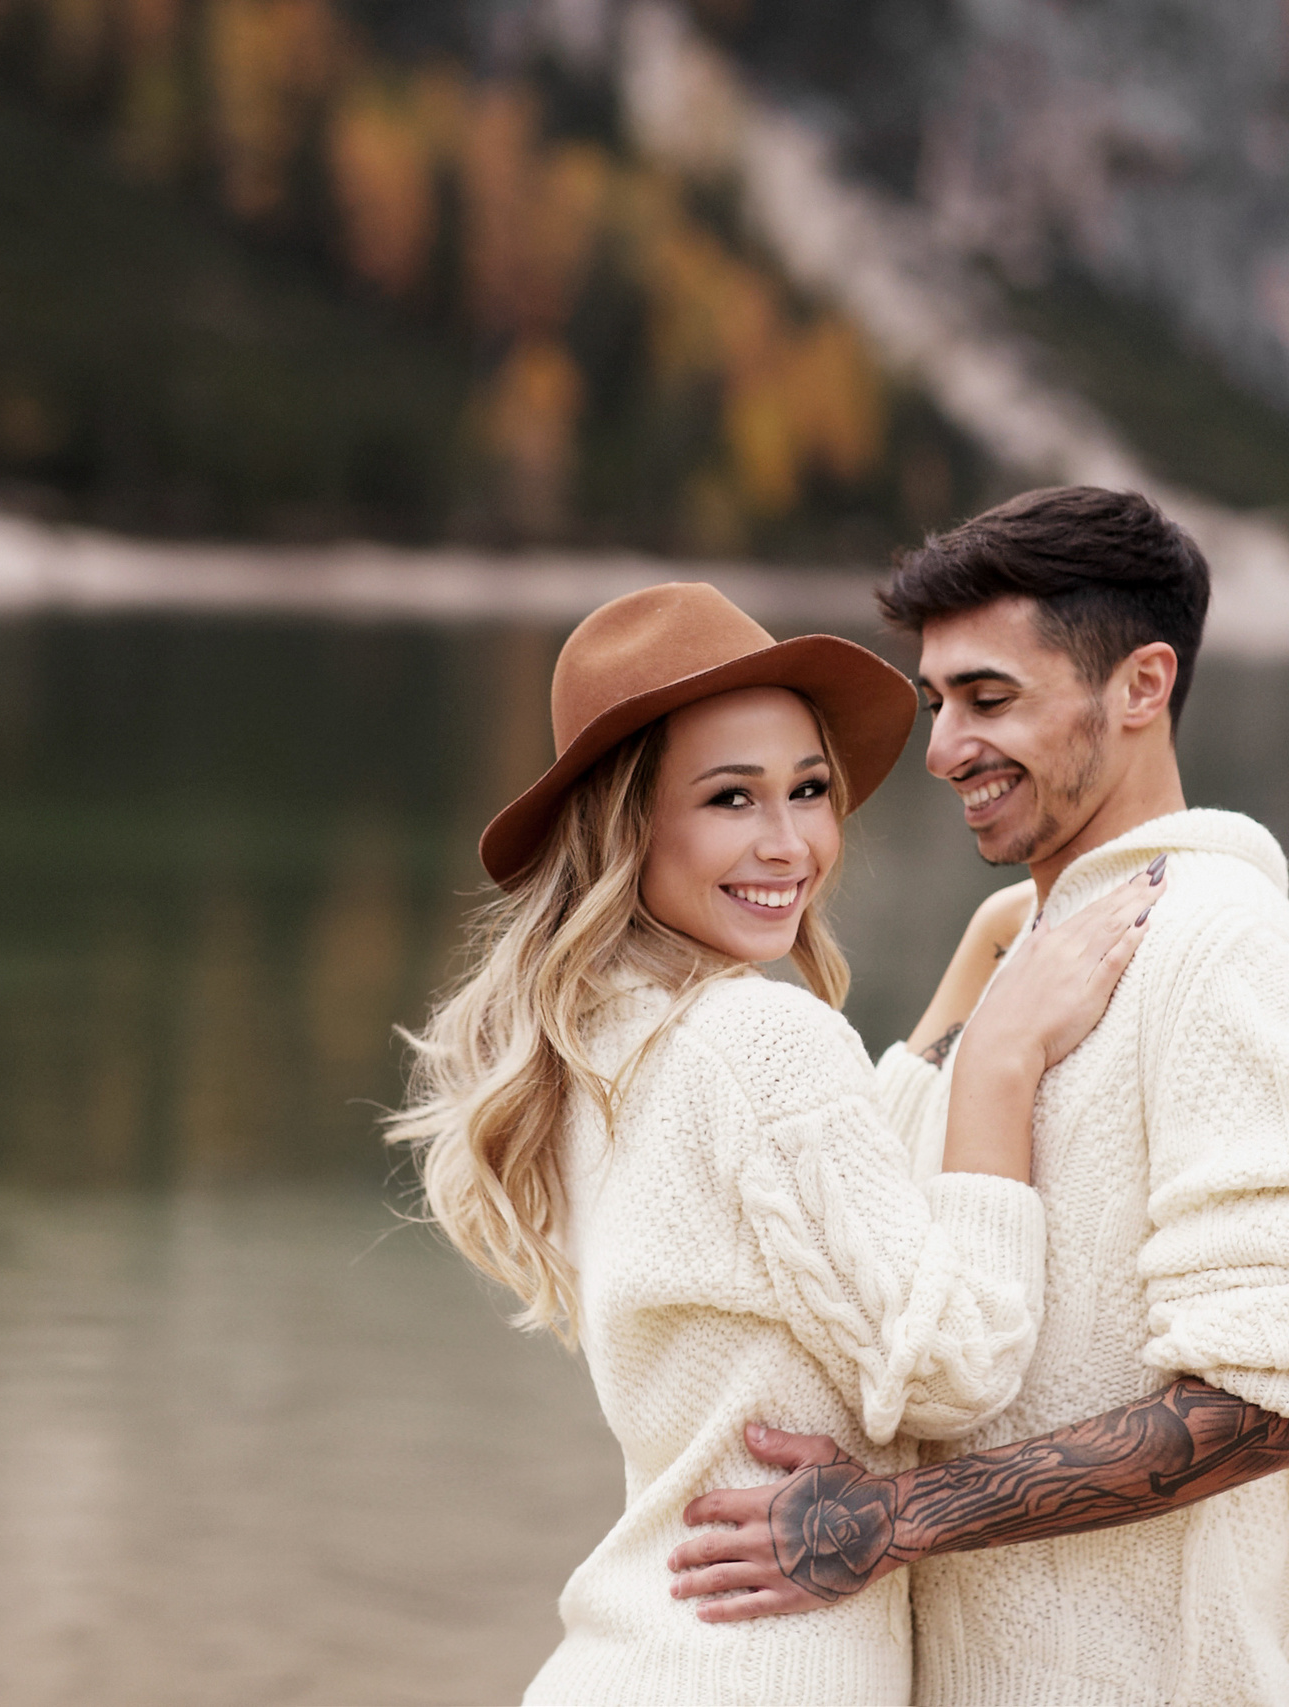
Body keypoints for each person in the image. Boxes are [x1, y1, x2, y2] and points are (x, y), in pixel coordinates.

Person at [665, 488, 1289, 1706]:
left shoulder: (1218, 946)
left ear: (1141, 685)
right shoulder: (1036, 945)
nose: (945, 747)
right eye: (936, 702)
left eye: (989, 699)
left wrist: (891, 1518)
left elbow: (1272, 1403)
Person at [386, 581, 1164, 1705]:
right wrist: (1000, 1066)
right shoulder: (760, 1041)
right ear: (627, 823)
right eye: (729, 799)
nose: (788, 841)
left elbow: (833, 1209)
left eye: (808, 790)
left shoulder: (593, 1046)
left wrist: (982, 963)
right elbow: (953, 1364)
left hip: (636, 1657)